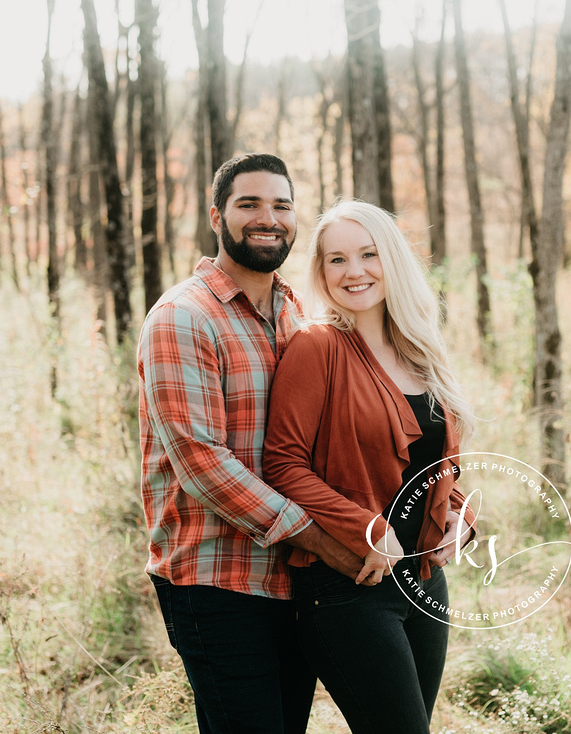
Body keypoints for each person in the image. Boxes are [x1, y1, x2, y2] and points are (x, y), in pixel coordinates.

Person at [137, 153, 363, 734]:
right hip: (217, 580)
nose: (269, 218)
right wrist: (322, 540)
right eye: (250, 204)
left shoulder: (296, 312)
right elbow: (202, 462)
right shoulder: (182, 317)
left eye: (281, 205)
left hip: (294, 577)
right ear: (217, 216)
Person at [263, 200, 478, 734]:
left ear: (394, 259)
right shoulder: (318, 347)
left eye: (368, 254)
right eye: (336, 260)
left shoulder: (421, 349)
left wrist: (460, 516)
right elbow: (282, 464)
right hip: (349, 585)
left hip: (425, 582)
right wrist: (370, 530)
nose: (353, 271)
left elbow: (441, 464)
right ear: (321, 272)